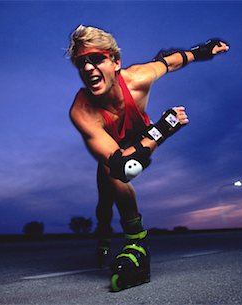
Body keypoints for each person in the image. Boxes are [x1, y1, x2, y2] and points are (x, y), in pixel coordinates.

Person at [67, 25, 229, 290]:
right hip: (118, 153)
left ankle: (136, 242)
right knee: (105, 201)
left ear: (115, 62)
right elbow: (124, 167)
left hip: (140, 140)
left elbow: (171, 61)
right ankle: (104, 236)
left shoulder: (138, 78)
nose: (87, 69)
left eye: (95, 59)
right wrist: (163, 129)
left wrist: (205, 50)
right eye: (81, 63)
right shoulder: (82, 111)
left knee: (114, 180)